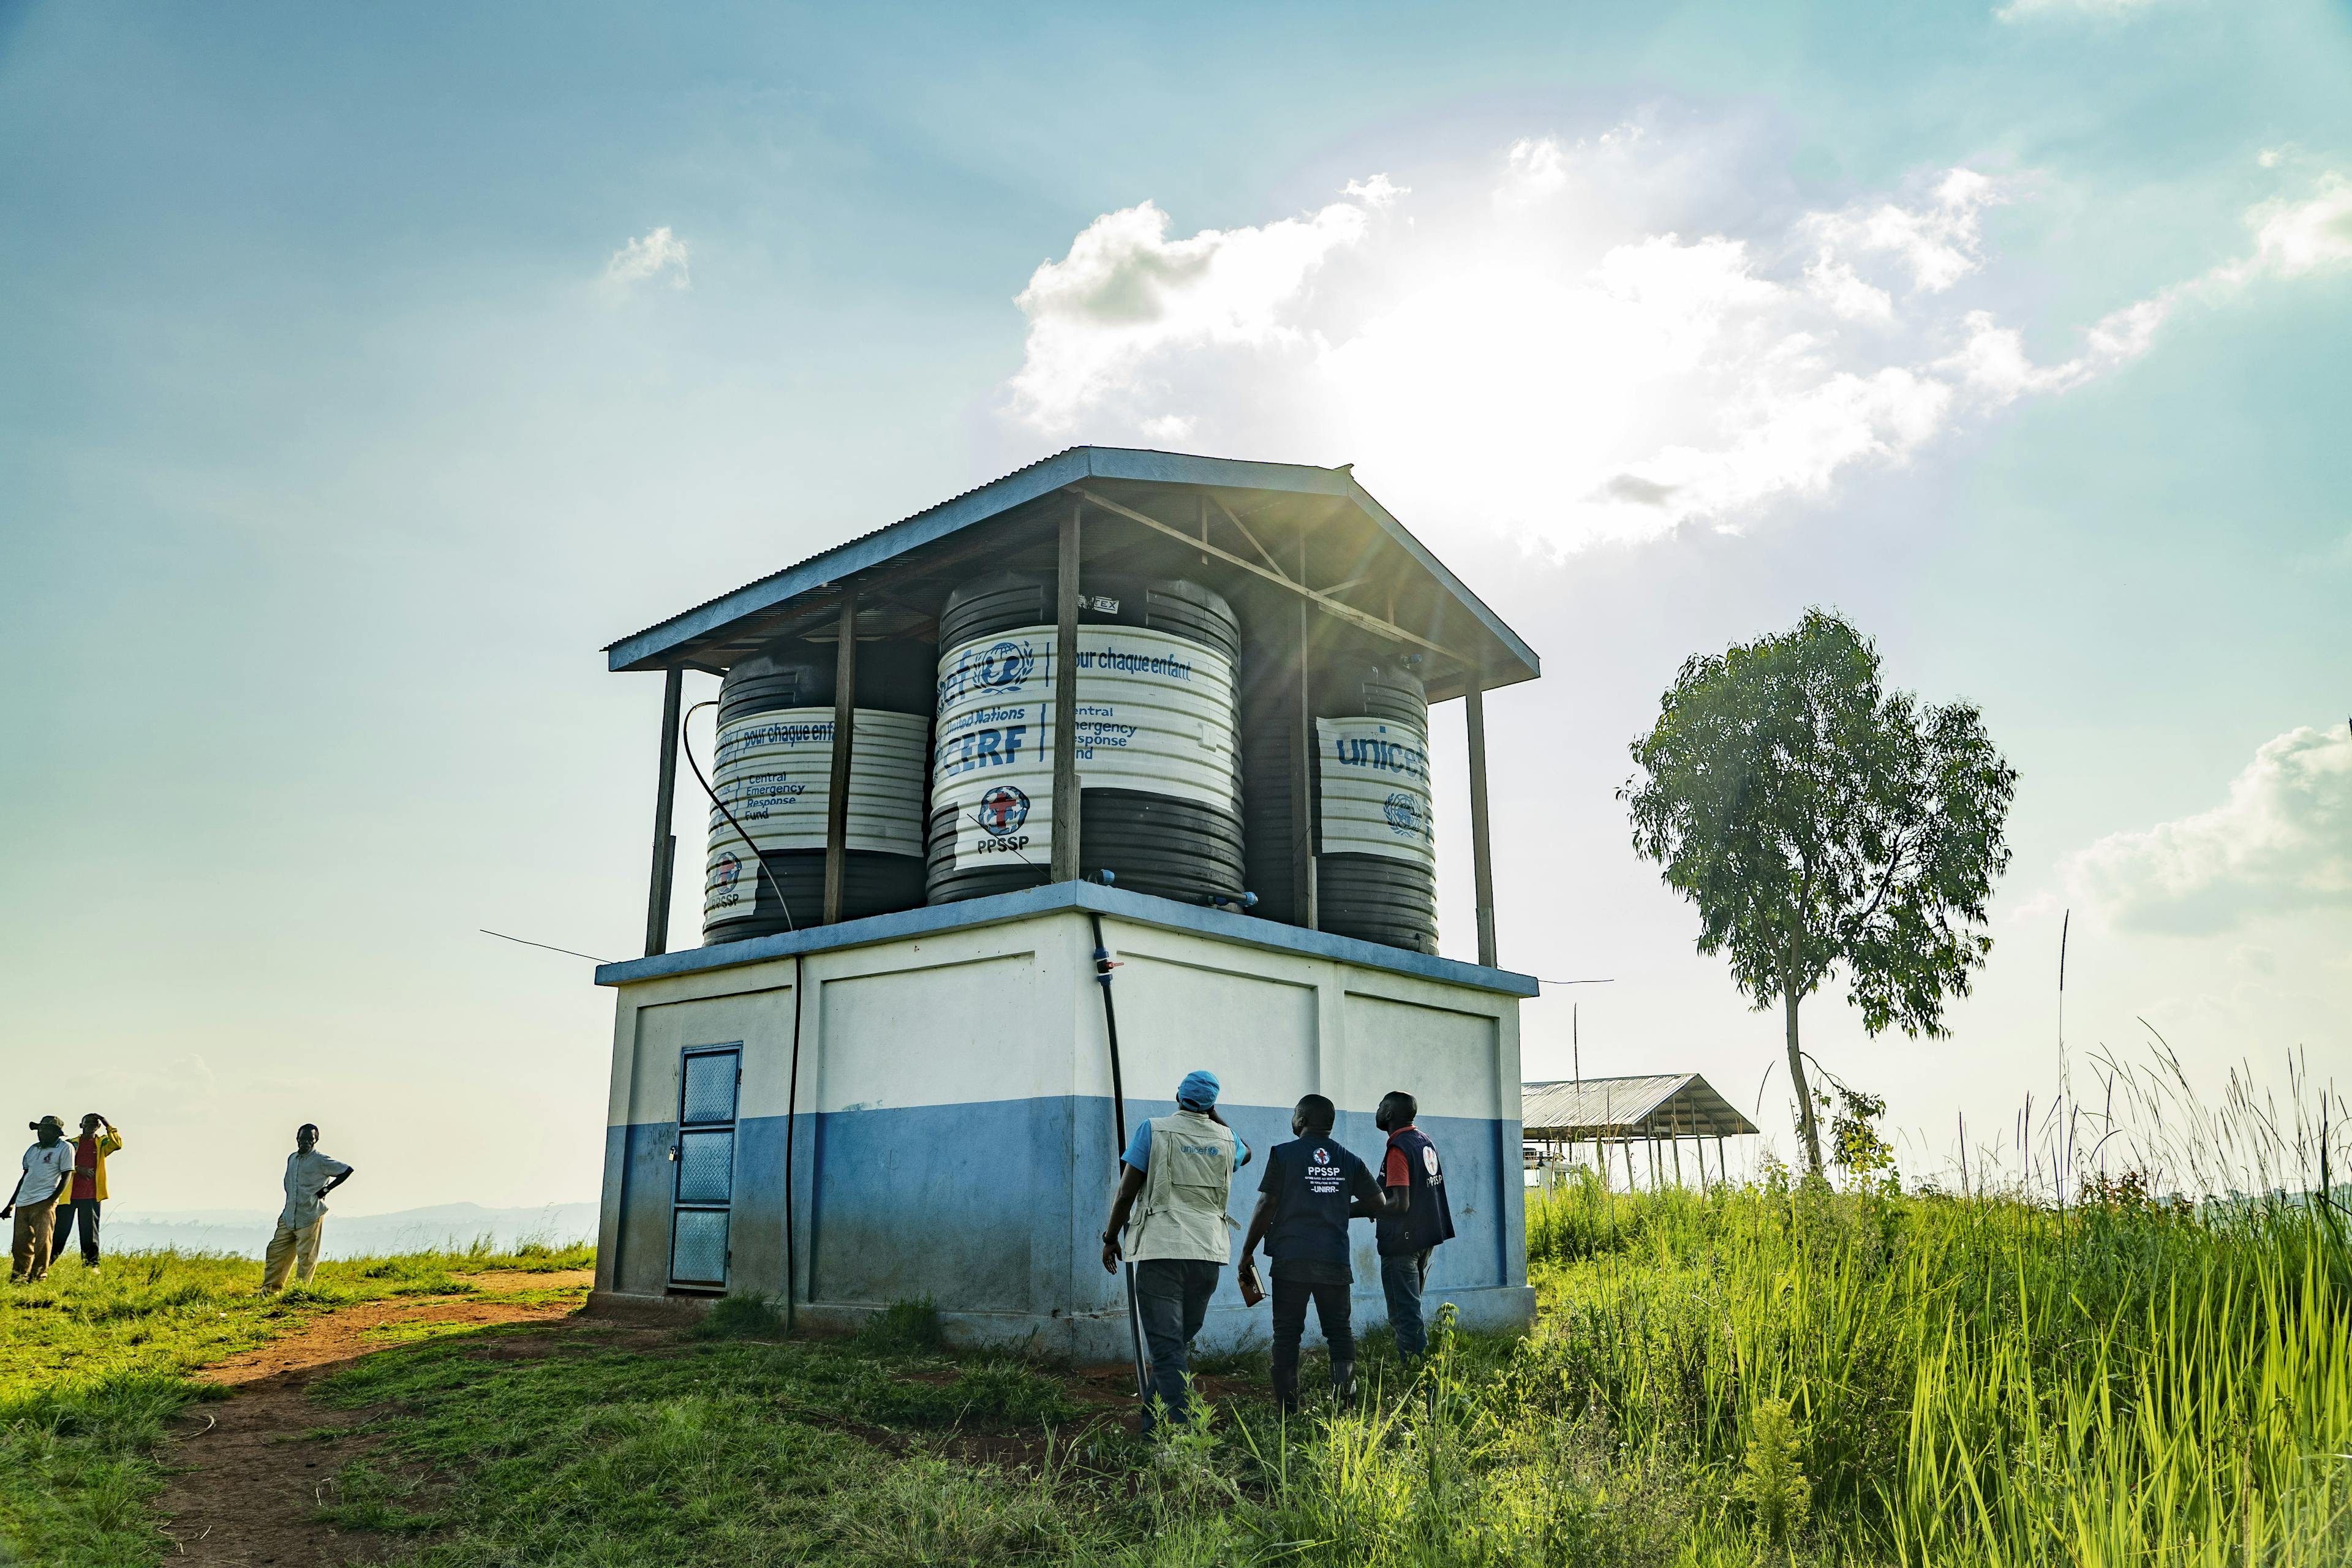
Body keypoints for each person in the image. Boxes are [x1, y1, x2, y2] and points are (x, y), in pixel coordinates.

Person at [1099, 1069, 1251, 1434]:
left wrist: (1110, 1237)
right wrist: (1213, 1115)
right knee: (1175, 1342)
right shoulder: (1228, 1139)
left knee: (1168, 1346)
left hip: (1161, 1250)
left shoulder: (1153, 1129)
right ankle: (1152, 1424)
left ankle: (1184, 1432)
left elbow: (1125, 1192)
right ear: (1213, 1104)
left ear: (1178, 1095)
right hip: (1208, 1253)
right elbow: (1246, 1151)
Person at [1236, 1094, 1393, 1412]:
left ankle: (1287, 1410)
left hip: (1290, 1260)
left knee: (1287, 1333)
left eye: (1295, 1114)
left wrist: (1247, 1251)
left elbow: (1267, 1204)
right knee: (1339, 1331)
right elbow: (1379, 1203)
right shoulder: (1348, 1159)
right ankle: (1345, 1407)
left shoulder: (1283, 1155)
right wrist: (1338, 1211)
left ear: (1302, 1120)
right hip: (1333, 1260)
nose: (1293, 1118)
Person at [1374, 1090, 1455, 1362]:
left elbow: (1399, 1203)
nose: (1377, 1109)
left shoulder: (1399, 1148)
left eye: (1381, 1106)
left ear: (1389, 1114)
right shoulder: (1423, 1141)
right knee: (1411, 1306)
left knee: (1405, 1314)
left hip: (1403, 1242)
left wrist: (1350, 1211)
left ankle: (1418, 1377)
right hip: (1424, 1238)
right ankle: (1420, 1370)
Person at [262, 1124, 355, 1293]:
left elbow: (346, 1170)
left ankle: (300, 1291)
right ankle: (270, 1290)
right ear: (297, 1139)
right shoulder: (292, 1158)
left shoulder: (321, 1160)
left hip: (310, 1213)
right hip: (290, 1214)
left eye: (309, 1139)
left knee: (306, 1256)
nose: (305, 1142)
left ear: (316, 1140)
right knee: (276, 1251)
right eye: (302, 1139)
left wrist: (326, 1190)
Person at [6, 1116, 77, 1284]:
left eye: (45, 1130)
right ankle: (19, 1276)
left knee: (43, 1242)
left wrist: (53, 1199)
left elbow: (67, 1174)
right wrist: (11, 1203)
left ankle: (38, 1277)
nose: (41, 1133)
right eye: (40, 1129)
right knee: (20, 1243)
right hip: (24, 1201)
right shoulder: (33, 1149)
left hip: (45, 1200)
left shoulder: (65, 1148)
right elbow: (25, 1177)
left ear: (56, 1133)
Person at [50, 1114, 123, 1272]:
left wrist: (107, 1123)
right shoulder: (71, 1144)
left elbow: (117, 1144)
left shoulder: (102, 1143)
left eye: (95, 1123)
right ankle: (46, 1263)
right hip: (67, 1195)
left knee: (90, 1233)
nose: (91, 1125)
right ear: (81, 1125)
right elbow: (59, 1164)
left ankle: (91, 1266)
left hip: (91, 1194)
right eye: (88, 1122)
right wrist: (78, 1170)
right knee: (60, 1232)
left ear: (98, 1127)